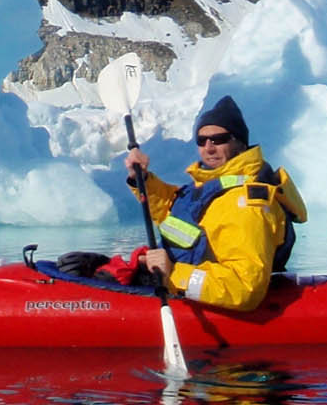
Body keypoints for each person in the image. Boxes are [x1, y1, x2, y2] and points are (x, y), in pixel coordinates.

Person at [123, 95, 307, 312]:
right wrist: (142, 179)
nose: (208, 148)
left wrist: (173, 274)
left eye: (218, 139)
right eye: (202, 141)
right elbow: (175, 210)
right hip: (184, 287)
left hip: (211, 299)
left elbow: (244, 289)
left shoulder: (247, 205)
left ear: (239, 142)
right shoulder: (212, 188)